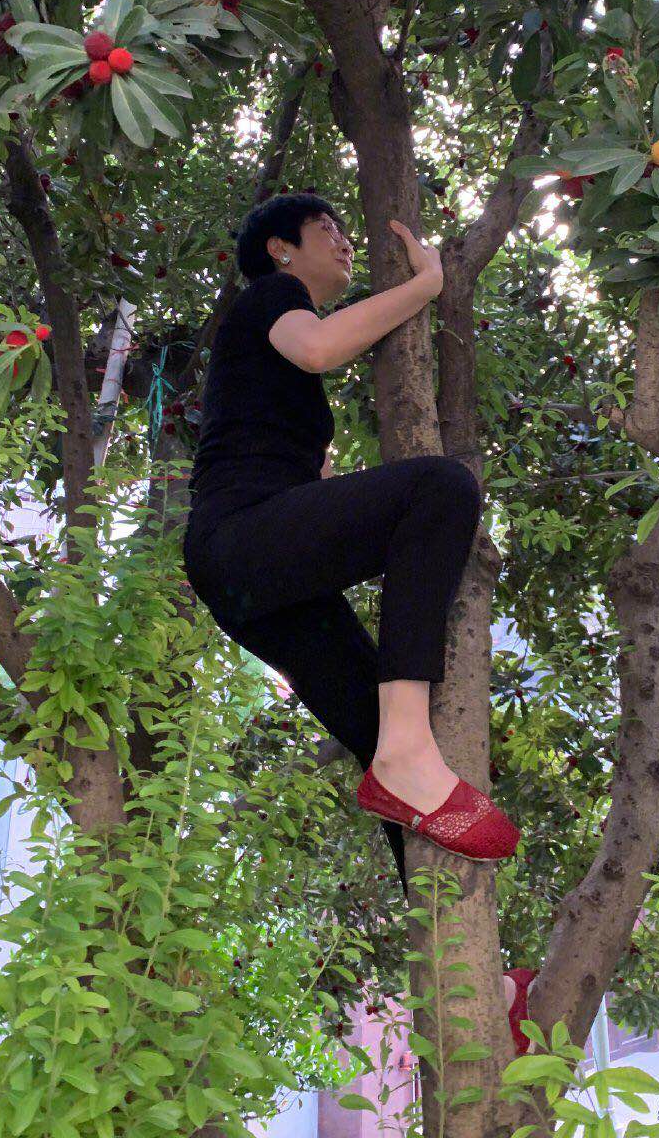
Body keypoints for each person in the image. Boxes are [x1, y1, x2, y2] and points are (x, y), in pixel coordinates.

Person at [181, 194, 522, 900]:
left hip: (252, 577)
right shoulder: (272, 295)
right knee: (440, 489)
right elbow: (320, 346)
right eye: (325, 230)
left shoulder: (262, 362)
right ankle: (408, 754)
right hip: (241, 536)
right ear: (280, 248)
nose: (342, 241)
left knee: (376, 727)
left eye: (343, 229)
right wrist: (426, 284)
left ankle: (460, 971)